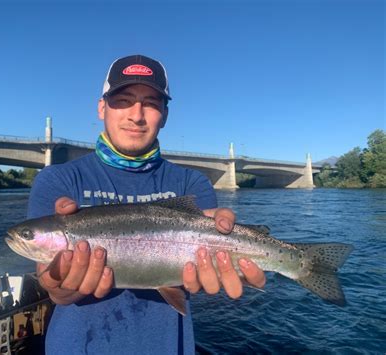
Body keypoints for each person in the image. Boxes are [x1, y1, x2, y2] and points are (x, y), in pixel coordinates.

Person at [28, 54, 266, 354]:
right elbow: (51, 283)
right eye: (124, 100)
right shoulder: (57, 180)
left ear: (165, 115)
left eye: (151, 103)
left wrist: (236, 253)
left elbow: (199, 274)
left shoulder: (192, 184)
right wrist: (59, 287)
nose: (136, 115)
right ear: (102, 107)